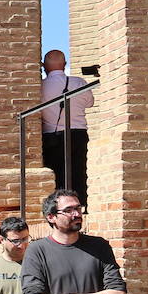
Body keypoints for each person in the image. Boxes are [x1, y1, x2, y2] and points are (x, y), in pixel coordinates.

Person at [39, 49, 94, 205]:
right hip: (78, 133)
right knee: (78, 172)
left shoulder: (40, 87)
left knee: (56, 174)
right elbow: (90, 103)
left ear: (44, 66)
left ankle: (59, 208)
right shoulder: (78, 83)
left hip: (51, 136)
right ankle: (80, 206)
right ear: (65, 64)